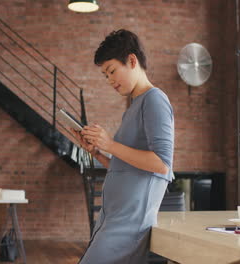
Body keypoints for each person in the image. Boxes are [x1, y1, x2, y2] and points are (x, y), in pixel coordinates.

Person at [70, 29, 175, 264]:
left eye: (112, 71)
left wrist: (109, 143)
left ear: (132, 60)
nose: (109, 81)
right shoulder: (134, 107)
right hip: (113, 220)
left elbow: (161, 164)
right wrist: (97, 152)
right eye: (105, 75)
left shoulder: (155, 100)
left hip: (129, 226)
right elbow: (127, 165)